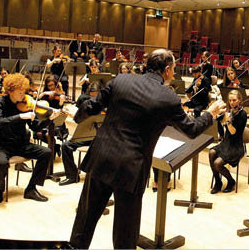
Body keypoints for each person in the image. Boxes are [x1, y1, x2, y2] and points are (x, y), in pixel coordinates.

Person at [69, 49, 225, 249]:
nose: (174, 73)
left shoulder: (121, 80)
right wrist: (210, 114)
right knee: (126, 233)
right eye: (174, 69)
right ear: (167, 70)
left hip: (101, 158)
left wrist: (76, 117)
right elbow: (192, 129)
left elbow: (91, 106)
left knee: (84, 220)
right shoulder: (168, 98)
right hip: (131, 169)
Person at [0, 73, 54, 204]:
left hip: (20, 144)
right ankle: (0, 187)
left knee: (46, 152)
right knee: (1, 163)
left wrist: (49, 119)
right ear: (10, 91)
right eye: (20, 92)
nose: (23, 95)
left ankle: (31, 188)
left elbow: (36, 127)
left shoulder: (24, 104)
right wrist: (20, 117)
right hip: (1, 145)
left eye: (24, 91)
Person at [59, 82, 102, 186]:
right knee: (66, 146)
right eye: (92, 96)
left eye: (96, 96)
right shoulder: (87, 104)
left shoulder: (108, 104)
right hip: (87, 135)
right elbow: (78, 120)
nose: (94, 99)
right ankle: (72, 175)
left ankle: (96, 179)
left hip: (101, 138)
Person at [209, 90, 247, 194]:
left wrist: (227, 121)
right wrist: (217, 116)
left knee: (217, 163)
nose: (232, 102)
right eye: (230, 100)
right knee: (211, 152)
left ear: (240, 100)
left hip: (236, 146)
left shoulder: (242, 114)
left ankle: (231, 181)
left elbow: (233, 132)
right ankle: (218, 182)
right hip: (226, 143)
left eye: (234, 100)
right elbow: (221, 124)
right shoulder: (230, 112)